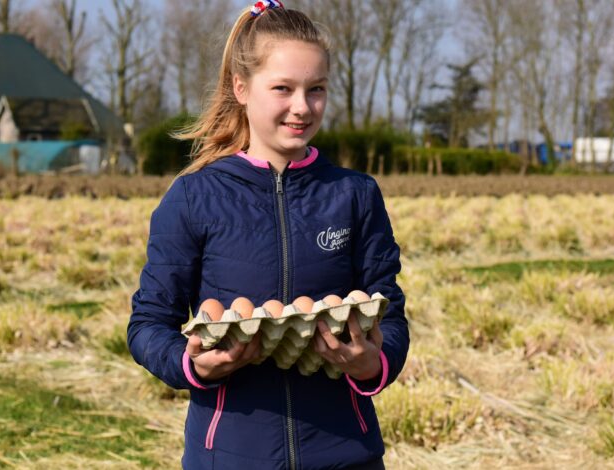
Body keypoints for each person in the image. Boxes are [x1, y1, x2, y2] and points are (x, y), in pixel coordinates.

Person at [126, 1, 409, 468]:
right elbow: (147, 325)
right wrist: (193, 364)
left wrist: (373, 364)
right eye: (283, 88)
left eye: (316, 89)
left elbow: (391, 315)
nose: (302, 107)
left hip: (345, 454)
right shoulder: (194, 197)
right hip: (231, 456)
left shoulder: (354, 195)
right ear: (241, 88)